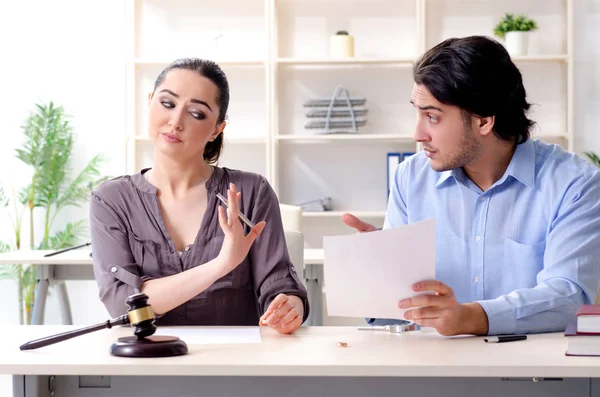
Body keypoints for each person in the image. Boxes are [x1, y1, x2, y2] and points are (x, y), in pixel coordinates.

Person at [343, 36, 600, 336]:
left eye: (432, 117)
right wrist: (381, 275)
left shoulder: (574, 184)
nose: (417, 133)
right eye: (418, 112)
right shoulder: (410, 179)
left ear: (484, 121)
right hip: (433, 370)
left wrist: (471, 318)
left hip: (533, 375)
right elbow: (403, 314)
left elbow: (569, 297)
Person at [90, 58, 308, 334]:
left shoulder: (252, 192)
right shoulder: (111, 200)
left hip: (237, 368)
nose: (175, 121)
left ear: (217, 128)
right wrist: (221, 264)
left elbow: (279, 286)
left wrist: (289, 308)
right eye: (167, 104)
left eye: (196, 113)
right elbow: (124, 306)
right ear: (149, 102)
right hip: (147, 367)